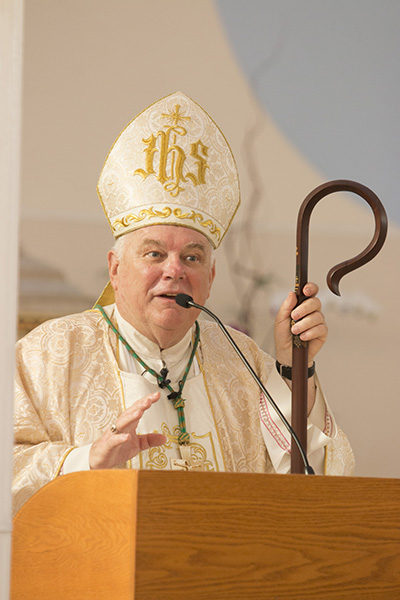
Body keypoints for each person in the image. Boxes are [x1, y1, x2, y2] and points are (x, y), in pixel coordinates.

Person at [13, 92, 354, 515]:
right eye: (154, 254)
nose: (174, 270)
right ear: (115, 269)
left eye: (192, 257)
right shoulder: (48, 354)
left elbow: (316, 486)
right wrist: (84, 462)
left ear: (209, 279)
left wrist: (291, 370)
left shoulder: (243, 358)